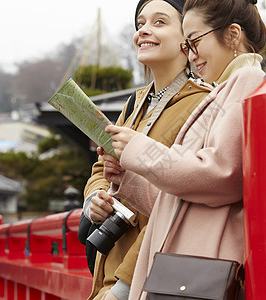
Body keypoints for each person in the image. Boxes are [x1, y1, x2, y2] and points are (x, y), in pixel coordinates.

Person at [102, 0, 266, 298]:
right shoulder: (226, 88)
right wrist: (128, 177)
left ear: (232, 35)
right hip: (191, 263)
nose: (191, 55)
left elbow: (222, 172)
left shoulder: (247, 80)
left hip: (198, 263)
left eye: (195, 42)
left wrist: (142, 150)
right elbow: (183, 196)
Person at [81, 0, 212, 299]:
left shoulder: (203, 105)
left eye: (159, 22)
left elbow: (182, 205)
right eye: (141, 23)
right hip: (112, 264)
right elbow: (102, 167)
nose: (144, 31)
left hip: (148, 276)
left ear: (187, 37)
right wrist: (96, 198)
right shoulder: (135, 103)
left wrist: (124, 287)